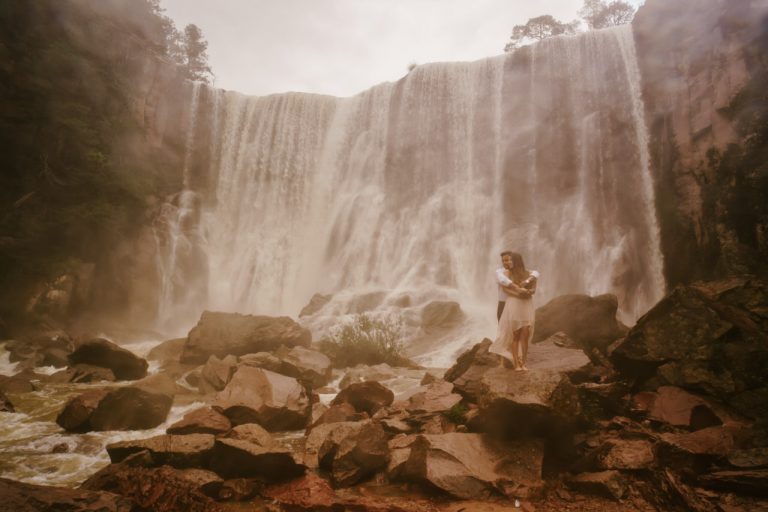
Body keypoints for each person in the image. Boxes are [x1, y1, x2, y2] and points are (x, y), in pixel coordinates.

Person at [490, 252, 538, 371]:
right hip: (508, 304)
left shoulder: (529, 273)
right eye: (504, 260)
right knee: (508, 332)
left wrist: (528, 289)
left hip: (524, 304)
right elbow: (505, 287)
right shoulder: (501, 273)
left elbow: (535, 276)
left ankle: (521, 362)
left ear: (516, 261)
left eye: (509, 260)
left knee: (524, 333)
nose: (507, 262)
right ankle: (506, 362)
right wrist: (519, 292)